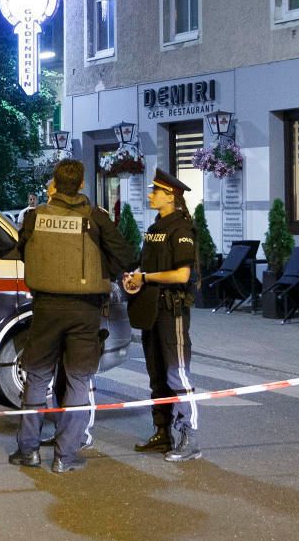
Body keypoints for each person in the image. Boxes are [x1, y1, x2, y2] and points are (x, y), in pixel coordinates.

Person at [9, 159, 131, 473]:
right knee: (78, 380)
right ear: (81, 184)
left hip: (46, 307)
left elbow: (22, 252)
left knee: (37, 377)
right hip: (85, 310)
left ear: (54, 183)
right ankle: (65, 456)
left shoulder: (34, 216)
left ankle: (28, 450)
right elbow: (126, 256)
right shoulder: (96, 217)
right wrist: (101, 268)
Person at [125, 168, 202, 462]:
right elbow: (145, 264)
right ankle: (162, 433)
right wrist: (134, 277)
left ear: (170, 196)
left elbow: (182, 275)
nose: (150, 195)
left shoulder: (181, 228)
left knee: (176, 374)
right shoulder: (156, 226)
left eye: (155, 191)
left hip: (172, 310)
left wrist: (144, 277)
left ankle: (189, 437)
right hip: (152, 310)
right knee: (157, 375)